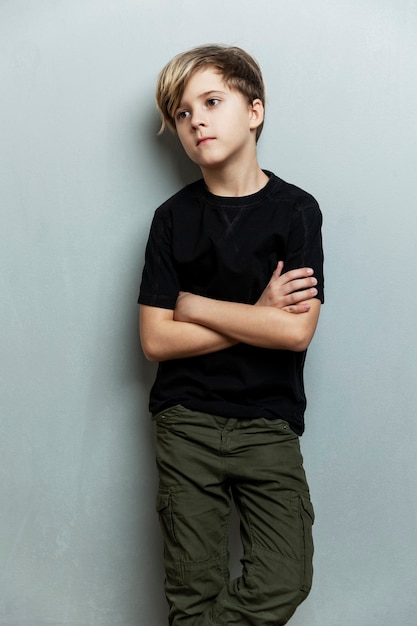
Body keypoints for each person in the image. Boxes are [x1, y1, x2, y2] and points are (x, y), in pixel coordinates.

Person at [138, 44, 324, 626]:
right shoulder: (171, 219)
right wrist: (255, 314)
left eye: (211, 101)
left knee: (284, 579)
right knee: (192, 593)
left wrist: (193, 305)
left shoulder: (296, 211)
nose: (196, 120)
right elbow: (156, 342)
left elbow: (295, 334)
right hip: (185, 422)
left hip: (268, 422)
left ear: (254, 111)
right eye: (183, 112)